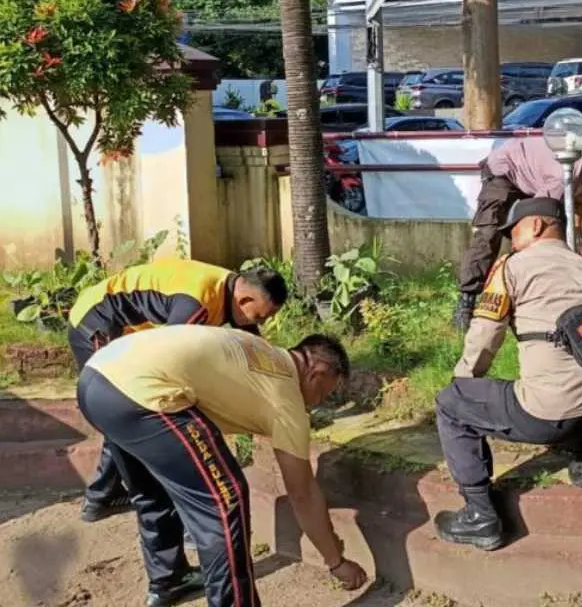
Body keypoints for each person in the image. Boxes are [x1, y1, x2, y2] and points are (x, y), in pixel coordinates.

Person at [77, 325, 368, 607]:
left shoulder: (257, 348)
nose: (317, 403)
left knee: (153, 491)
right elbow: (302, 493)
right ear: (316, 373)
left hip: (97, 379)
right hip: (145, 395)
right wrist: (336, 562)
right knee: (224, 498)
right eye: (324, 394)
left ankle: (168, 579)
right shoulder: (286, 399)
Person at [434, 197, 582, 551]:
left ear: (535, 226)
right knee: (581, 379)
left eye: (513, 231)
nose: (510, 240)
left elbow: (485, 338)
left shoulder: (513, 268)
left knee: (450, 405)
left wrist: (463, 384)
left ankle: (479, 515)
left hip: (551, 415)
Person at [68, 258, 289, 523]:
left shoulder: (231, 289)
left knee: (124, 412)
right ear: (244, 300)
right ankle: (141, 499)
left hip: (127, 329)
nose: (260, 323)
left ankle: (101, 496)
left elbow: (251, 342)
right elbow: (170, 362)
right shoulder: (196, 305)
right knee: (122, 406)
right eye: (260, 316)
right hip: (98, 320)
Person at [453, 137, 582, 331]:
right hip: (505, 169)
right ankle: (466, 303)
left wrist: (579, 243)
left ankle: (533, 296)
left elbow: (577, 204)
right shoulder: (563, 176)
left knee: (551, 236)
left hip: (535, 180)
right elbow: (539, 218)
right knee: (491, 235)